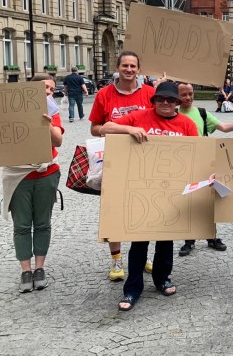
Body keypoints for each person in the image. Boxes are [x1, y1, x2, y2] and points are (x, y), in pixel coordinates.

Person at [100, 81, 199, 311]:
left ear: (178, 102)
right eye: (161, 99)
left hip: (170, 189)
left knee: (166, 238)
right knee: (139, 240)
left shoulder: (186, 124)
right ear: (153, 100)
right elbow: (104, 128)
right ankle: (133, 288)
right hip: (140, 188)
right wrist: (129, 129)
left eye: (171, 99)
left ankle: (162, 278)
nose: (166, 103)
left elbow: (197, 154)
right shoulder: (139, 116)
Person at [89, 51, 156, 281]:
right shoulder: (104, 94)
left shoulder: (150, 93)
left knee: (143, 208)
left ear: (139, 69)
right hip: (114, 159)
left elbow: (161, 119)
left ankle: (143, 255)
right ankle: (116, 259)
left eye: (133, 66)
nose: (129, 69)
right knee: (114, 210)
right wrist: (126, 129)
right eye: (125, 65)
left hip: (143, 159)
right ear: (118, 67)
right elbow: (96, 128)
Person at [1, 73, 63, 293]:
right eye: (44, 87)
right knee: (22, 225)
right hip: (18, 174)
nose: (48, 92)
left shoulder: (52, 111)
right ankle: (25, 271)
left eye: (51, 89)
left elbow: (58, 141)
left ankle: (39, 268)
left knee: (43, 223)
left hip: (46, 173)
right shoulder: (11, 111)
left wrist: (45, 124)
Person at [177, 82, 233, 256]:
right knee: (188, 200)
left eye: (190, 93)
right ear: (177, 96)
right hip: (182, 163)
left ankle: (211, 236)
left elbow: (224, 128)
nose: (188, 97)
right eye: (184, 94)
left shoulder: (201, 113)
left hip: (203, 161)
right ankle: (189, 239)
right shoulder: (173, 114)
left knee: (207, 200)